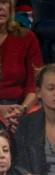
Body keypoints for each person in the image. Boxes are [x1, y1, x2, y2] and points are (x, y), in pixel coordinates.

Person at [0, 0, 43, 131]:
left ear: (11, 7)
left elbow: (35, 85)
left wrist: (22, 109)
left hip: (18, 106)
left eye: (4, 2)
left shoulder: (27, 37)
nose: (0, 8)